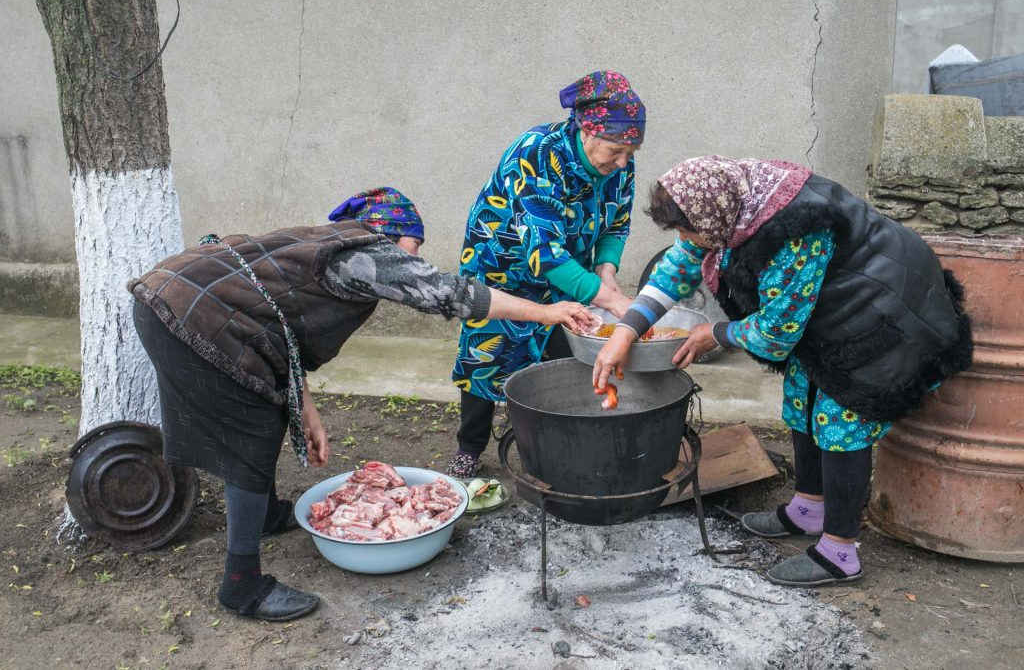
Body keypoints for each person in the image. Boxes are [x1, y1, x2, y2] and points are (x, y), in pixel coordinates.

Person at [131, 187, 591, 621]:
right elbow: (450, 293)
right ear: (390, 233)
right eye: (415, 244)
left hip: (173, 301)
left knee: (265, 414)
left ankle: (266, 513)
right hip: (190, 314)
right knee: (249, 436)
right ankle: (242, 586)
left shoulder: (324, 247)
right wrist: (548, 312)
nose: (416, 258)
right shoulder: (361, 254)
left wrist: (306, 413)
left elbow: (281, 336)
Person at [592, 157, 973, 587]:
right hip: (833, 306)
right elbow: (679, 266)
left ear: (712, 217)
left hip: (883, 311)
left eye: (686, 230)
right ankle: (809, 509)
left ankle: (840, 551)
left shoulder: (796, 230)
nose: (684, 240)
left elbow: (777, 332)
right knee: (801, 396)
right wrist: (627, 330)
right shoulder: (727, 205)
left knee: (841, 419)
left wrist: (714, 333)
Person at [447, 70, 645, 478]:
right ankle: (469, 447)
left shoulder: (620, 162)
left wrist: (606, 273)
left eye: (631, 150)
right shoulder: (536, 153)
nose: (623, 162)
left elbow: (616, 223)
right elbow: (543, 254)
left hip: (568, 269)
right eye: (615, 150)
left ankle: (551, 437)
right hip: (503, 269)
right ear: (587, 132)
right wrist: (612, 300)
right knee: (486, 355)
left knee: (563, 352)